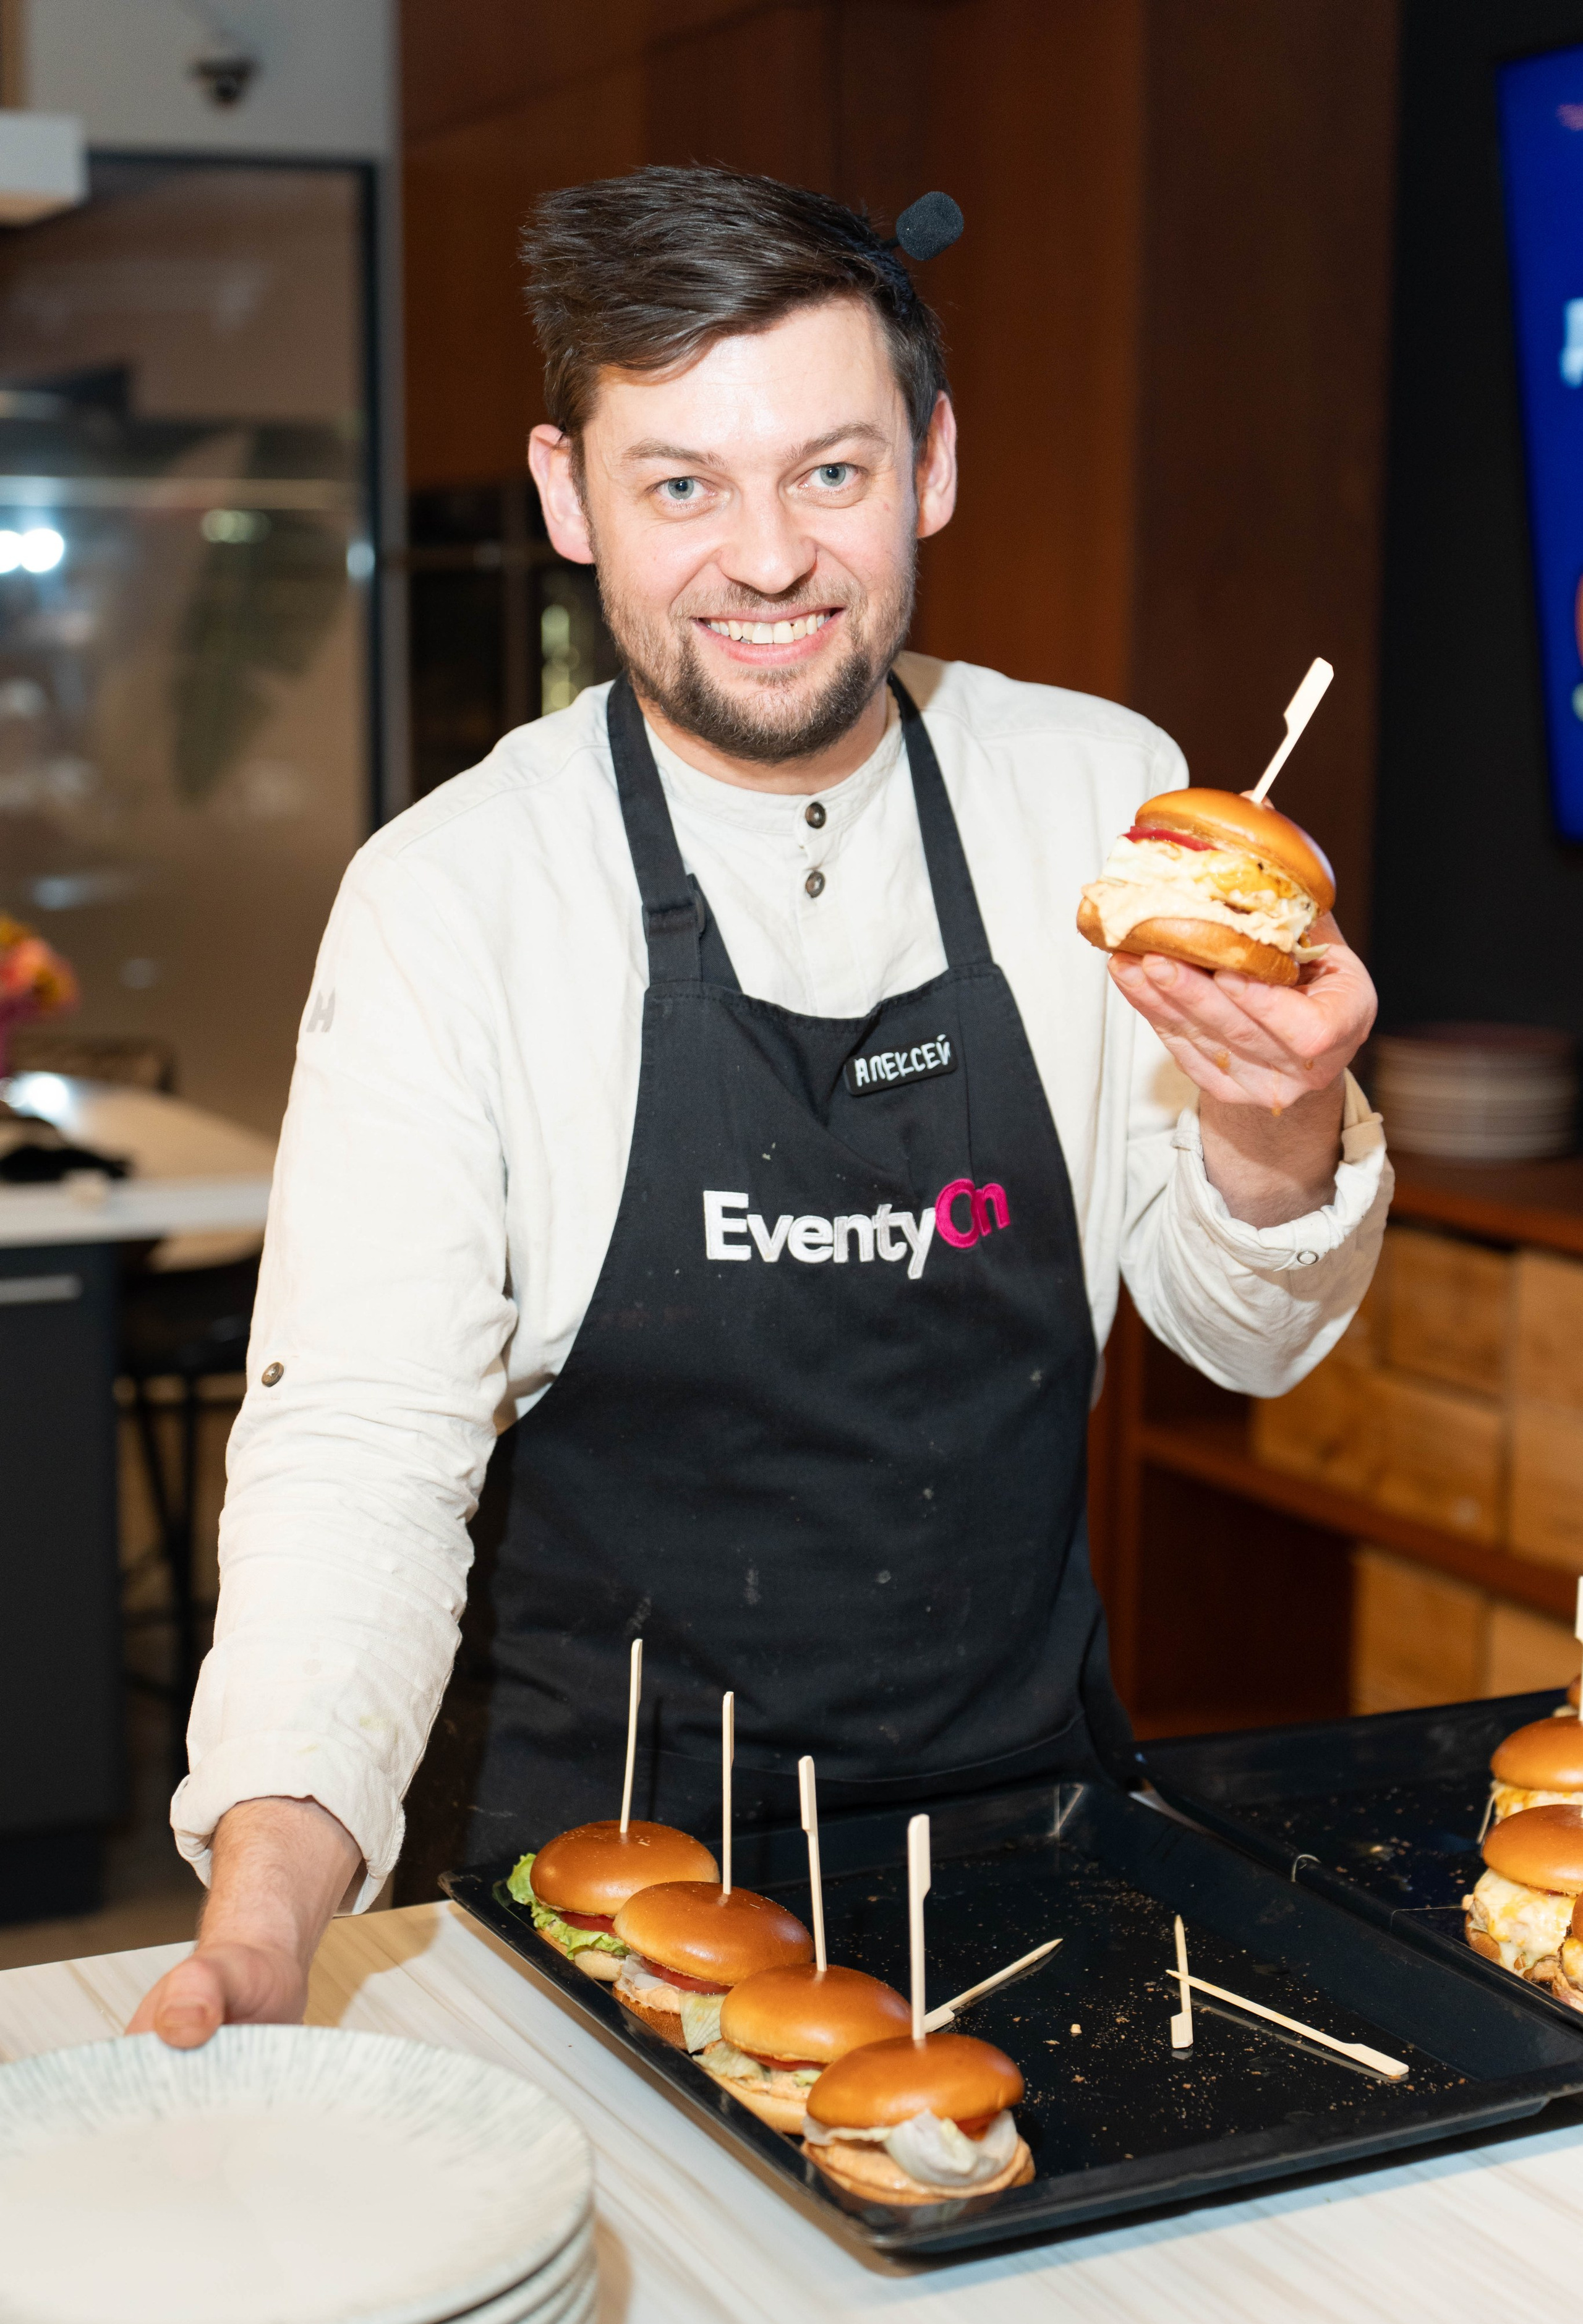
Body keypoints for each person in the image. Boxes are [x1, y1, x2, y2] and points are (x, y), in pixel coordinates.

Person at [130, 168, 1386, 2048]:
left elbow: (1245, 1340)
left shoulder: (1097, 799)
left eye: (831, 471)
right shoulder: (457, 893)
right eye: (681, 485)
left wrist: (1285, 1126)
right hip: (592, 1907)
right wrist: (267, 1910)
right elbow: (359, 1454)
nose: (772, 559)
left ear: (932, 464)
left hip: (1037, 1858)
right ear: (572, 497)